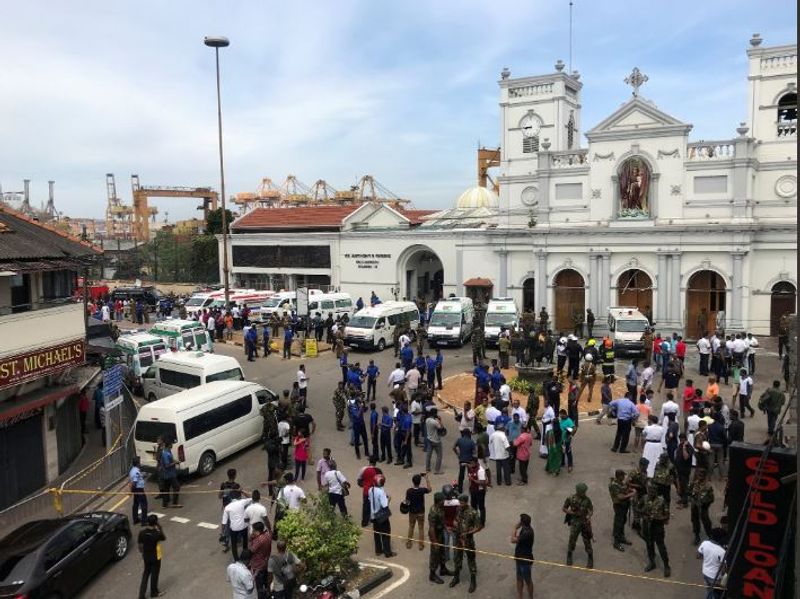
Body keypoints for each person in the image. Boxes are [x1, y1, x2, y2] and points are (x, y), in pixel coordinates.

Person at [449, 493, 482, 593]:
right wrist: (454, 523)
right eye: (459, 502)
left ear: (466, 502)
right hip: (458, 538)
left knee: (471, 560)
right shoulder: (458, 509)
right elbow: (455, 519)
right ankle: (456, 577)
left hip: (468, 540)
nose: (460, 504)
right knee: (457, 558)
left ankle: (473, 581)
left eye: (461, 502)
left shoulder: (473, 512)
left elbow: (479, 527)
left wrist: (468, 533)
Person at [641, 483, 671, 577]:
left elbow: (667, 515)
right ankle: (652, 562)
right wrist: (642, 515)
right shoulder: (644, 498)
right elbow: (638, 507)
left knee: (661, 547)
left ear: (656, 492)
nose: (651, 492)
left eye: (653, 491)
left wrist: (657, 517)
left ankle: (666, 566)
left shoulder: (662, 501)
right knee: (649, 545)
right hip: (647, 526)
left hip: (657, 527)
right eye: (649, 490)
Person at [563, 482, 594, 568]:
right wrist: (572, 512)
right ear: (578, 491)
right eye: (583, 492)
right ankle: (569, 554)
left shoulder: (587, 500)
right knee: (572, 538)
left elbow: (591, 510)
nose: (585, 493)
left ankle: (590, 556)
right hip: (575, 522)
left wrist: (589, 516)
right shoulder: (570, 498)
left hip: (584, 522)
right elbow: (564, 508)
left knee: (587, 539)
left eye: (585, 492)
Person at [137, 514, 166, 599]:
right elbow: (164, 538)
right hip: (155, 557)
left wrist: (143, 553)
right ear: (156, 523)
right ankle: (154, 592)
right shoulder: (156, 534)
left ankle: (141, 595)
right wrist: (160, 528)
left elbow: (140, 546)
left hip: (146, 557)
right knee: (154, 574)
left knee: (145, 574)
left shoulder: (142, 533)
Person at [222, 490, 253, 562]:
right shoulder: (242, 502)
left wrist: (223, 533)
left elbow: (224, 522)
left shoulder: (227, 507)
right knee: (245, 542)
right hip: (243, 526)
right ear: (239, 496)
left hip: (234, 528)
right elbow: (251, 498)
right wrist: (243, 491)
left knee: (233, 545)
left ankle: (236, 560)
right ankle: (245, 557)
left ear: (231, 498)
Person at [427, 492, 451, 584]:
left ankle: (443, 569)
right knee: (435, 554)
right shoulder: (433, 511)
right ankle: (432, 574)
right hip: (435, 535)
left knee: (442, 552)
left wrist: (446, 527)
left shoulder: (441, 508)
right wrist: (435, 542)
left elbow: (443, 519)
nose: (444, 501)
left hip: (440, 532)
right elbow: (431, 529)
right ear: (438, 501)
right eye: (443, 500)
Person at [369, 475, 395, 557]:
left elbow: (371, 499)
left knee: (376, 533)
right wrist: (389, 499)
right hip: (381, 515)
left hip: (373, 515)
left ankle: (378, 550)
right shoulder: (381, 492)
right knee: (386, 533)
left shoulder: (371, 489)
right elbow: (385, 505)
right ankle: (387, 553)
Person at [608, 469, 635, 552]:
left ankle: (622, 537)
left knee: (623, 521)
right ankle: (616, 542)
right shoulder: (613, 485)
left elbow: (624, 489)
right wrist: (631, 494)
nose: (624, 477)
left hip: (624, 505)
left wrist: (629, 489)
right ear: (619, 476)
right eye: (623, 475)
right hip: (619, 505)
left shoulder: (620, 483)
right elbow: (619, 497)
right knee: (618, 523)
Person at [405, 472, 431, 550]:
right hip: (421, 512)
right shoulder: (422, 490)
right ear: (419, 482)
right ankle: (421, 545)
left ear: (413, 481)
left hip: (412, 512)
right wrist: (426, 478)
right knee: (421, 528)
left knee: (411, 527)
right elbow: (430, 489)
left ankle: (409, 543)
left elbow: (407, 501)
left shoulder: (409, 491)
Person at [698, 528, 727, 599]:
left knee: (708, 590)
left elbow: (699, 555)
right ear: (721, 538)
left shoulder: (705, 543)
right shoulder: (721, 551)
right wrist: (723, 576)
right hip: (715, 577)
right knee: (716, 593)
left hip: (705, 573)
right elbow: (724, 567)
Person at [511, 513, 535, 599]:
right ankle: (520, 596)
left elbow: (512, 540)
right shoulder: (525, 530)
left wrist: (514, 528)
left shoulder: (527, 532)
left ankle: (530, 597)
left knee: (528, 580)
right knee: (519, 578)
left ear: (522, 523)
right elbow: (518, 538)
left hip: (525, 561)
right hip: (519, 558)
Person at [689, 468, 715, 545]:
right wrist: (692, 499)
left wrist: (705, 503)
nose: (700, 477)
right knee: (695, 521)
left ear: (704, 476)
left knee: (706, 522)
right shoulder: (694, 483)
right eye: (699, 475)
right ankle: (697, 536)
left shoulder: (708, 486)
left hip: (703, 507)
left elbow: (712, 498)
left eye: (701, 475)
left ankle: (710, 536)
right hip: (695, 506)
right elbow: (689, 492)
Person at [249, 522, 272, 599]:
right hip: (266, 562)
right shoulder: (267, 535)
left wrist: (252, 538)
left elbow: (251, 550)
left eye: (253, 530)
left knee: (259, 586)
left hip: (258, 565)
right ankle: (268, 595)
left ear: (257, 531)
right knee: (266, 582)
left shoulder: (258, 540)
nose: (252, 532)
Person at [467, 456, 490, 526]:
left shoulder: (480, 470)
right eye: (470, 463)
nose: (471, 465)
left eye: (472, 463)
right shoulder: (471, 468)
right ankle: (474, 520)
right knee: (473, 506)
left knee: (481, 506)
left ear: (476, 463)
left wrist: (472, 479)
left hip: (480, 491)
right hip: (473, 490)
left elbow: (482, 482)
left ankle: (482, 522)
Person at [453, 428, 476, 492]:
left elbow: (453, 447)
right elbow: (474, 452)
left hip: (462, 459)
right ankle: (471, 487)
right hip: (470, 460)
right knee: (470, 474)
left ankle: (460, 489)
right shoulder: (471, 441)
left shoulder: (459, 440)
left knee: (461, 474)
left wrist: (458, 454)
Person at [159, 441, 182, 509]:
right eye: (171, 443)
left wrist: (175, 461)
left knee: (166, 489)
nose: (172, 445)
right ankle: (174, 503)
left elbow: (171, 460)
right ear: (169, 445)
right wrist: (175, 463)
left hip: (167, 474)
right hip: (170, 474)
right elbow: (167, 465)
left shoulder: (167, 451)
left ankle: (164, 504)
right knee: (177, 487)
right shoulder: (166, 454)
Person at [129, 456, 148, 526]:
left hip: (136, 489)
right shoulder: (136, 471)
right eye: (139, 462)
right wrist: (132, 490)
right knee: (144, 504)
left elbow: (137, 477)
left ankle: (135, 519)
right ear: (137, 463)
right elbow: (134, 482)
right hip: (139, 489)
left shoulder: (133, 470)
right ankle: (144, 521)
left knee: (136, 504)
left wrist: (143, 475)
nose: (140, 463)